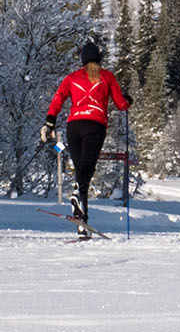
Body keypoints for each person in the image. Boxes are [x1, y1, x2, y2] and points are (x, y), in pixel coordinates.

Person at [41, 41, 130, 238]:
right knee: (87, 170)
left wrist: (49, 123)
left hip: (74, 126)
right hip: (94, 125)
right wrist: (127, 100)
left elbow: (58, 99)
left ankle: (82, 222)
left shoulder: (72, 78)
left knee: (81, 170)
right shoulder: (106, 76)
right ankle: (79, 202)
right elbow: (121, 104)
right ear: (99, 59)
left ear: (82, 60)